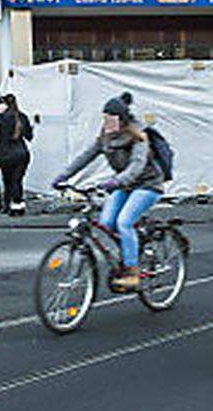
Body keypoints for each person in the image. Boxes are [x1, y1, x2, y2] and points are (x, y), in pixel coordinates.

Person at [52, 92, 164, 292]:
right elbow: (85, 157)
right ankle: (130, 249)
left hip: (148, 185)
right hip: (124, 186)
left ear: (122, 120)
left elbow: (136, 167)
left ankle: (132, 271)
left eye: (111, 119)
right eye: (105, 119)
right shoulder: (105, 138)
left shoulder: (138, 136)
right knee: (106, 222)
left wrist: (114, 182)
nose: (107, 123)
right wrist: (64, 176)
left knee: (124, 222)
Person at [0, 94, 33, 217]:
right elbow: (29, 136)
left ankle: (10, 207)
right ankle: (18, 206)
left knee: (8, 181)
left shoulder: (1, 119)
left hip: (5, 154)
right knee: (17, 181)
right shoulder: (22, 117)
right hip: (22, 153)